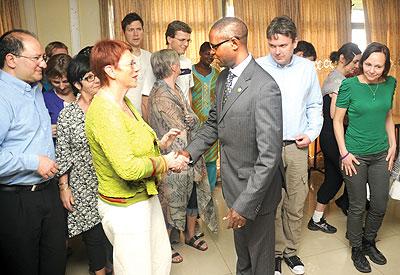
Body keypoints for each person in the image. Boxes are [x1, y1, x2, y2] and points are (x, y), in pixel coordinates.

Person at [182, 17, 284, 275]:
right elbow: (215, 124)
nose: (212, 52)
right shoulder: (224, 77)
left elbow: (269, 156)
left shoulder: (265, 87)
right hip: (234, 186)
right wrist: (188, 153)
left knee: (260, 260)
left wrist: (245, 204)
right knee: (244, 256)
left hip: (256, 192)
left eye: (216, 46)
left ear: (235, 43)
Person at [85, 39, 188, 275]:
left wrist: (161, 145)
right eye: (130, 64)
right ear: (110, 71)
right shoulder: (104, 111)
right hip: (126, 207)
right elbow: (127, 168)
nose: (137, 68)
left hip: (145, 197)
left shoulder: (125, 102)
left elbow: (132, 142)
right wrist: (166, 162)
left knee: (159, 262)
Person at [257, 16, 323, 275]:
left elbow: (315, 105)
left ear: (295, 42)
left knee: (296, 202)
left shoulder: (306, 69)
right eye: (272, 45)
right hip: (267, 147)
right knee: (271, 203)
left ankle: (291, 252)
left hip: (297, 146)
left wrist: (311, 133)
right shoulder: (259, 67)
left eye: (283, 45)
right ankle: (273, 253)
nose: (277, 51)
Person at [0, 29, 66, 275]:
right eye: (36, 58)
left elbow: (27, 135)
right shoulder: (3, 96)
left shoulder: (35, 89)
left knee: (55, 262)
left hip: (47, 193)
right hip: (17, 201)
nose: (44, 63)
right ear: (11, 60)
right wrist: (32, 161)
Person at [148, 49, 217, 263]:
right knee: (170, 202)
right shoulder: (160, 94)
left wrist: (192, 120)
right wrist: (192, 120)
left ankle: (189, 235)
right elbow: (178, 125)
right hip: (172, 155)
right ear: (172, 67)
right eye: (177, 62)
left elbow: (190, 116)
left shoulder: (176, 87)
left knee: (193, 194)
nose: (180, 65)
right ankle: (165, 245)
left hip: (188, 150)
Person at [333, 42, 396, 273]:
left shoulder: (391, 83)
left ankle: (369, 242)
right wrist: (344, 153)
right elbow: (337, 121)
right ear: (362, 62)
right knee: (358, 206)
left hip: (381, 153)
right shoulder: (349, 85)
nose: (371, 70)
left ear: (385, 67)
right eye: (368, 64)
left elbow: (388, 115)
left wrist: (393, 144)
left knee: (380, 203)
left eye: (378, 66)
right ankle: (357, 248)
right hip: (354, 155)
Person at [56, 53, 109, 275]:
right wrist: (64, 187)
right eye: (89, 77)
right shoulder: (68, 115)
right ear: (77, 84)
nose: (96, 80)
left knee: (112, 235)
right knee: (94, 237)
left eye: (97, 75)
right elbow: (63, 153)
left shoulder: (109, 107)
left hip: (110, 180)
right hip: (83, 184)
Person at [307, 43, 361, 234]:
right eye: (355, 61)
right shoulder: (338, 82)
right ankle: (353, 218)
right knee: (346, 177)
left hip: (329, 136)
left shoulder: (336, 77)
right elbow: (334, 114)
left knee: (333, 178)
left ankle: (317, 218)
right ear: (342, 59)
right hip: (332, 137)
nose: (357, 65)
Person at [142, 20, 194, 120]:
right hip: (164, 121)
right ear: (169, 39)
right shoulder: (157, 62)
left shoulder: (187, 63)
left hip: (184, 122)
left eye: (188, 40)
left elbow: (188, 93)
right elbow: (145, 99)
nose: (186, 44)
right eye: (182, 40)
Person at [192, 42, 220, 191]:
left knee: (211, 160)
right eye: (206, 54)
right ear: (200, 53)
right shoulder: (189, 72)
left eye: (212, 55)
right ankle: (196, 196)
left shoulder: (217, 74)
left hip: (212, 123)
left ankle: (210, 190)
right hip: (194, 125)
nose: (209, 57)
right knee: (194, 157)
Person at [121, 12, 152, 116]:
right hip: (127, 113)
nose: (135, 34)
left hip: (148, 113)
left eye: (138, 29)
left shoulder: (150, 57)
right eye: (131, 30)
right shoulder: (119, 59)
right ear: (124, 32)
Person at [43, 53, 75, 141]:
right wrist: (45, 130)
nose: (62, 86)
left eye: (66, 81)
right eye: (56, 82)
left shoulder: (83, 94)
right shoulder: (44, 99)